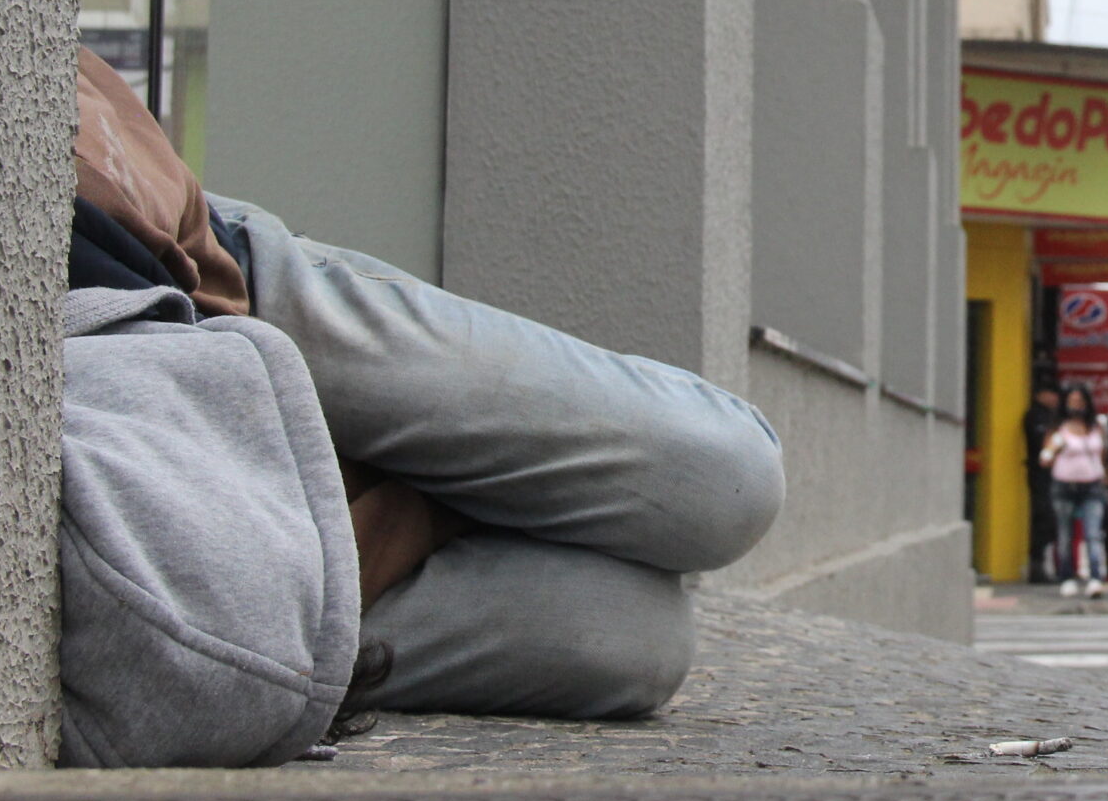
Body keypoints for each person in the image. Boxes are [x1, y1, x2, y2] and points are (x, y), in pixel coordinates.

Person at [69, 49, 785, 723]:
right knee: (634, 639)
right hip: (211, 522)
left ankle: (417, 491)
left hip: (217, 288)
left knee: (727, 473)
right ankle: (406, 507)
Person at [1040, 408, 1108, 597]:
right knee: (1065, 534)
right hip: (1065, 486)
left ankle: (1095, 578)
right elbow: (1045, 458)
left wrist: (1104, 477)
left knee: (1093, 533)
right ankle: (1067, 577)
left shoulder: (1096, 429)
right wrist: (1052, 452)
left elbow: (1103, 455)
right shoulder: (1060, 433)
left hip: (1092, 486)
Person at [1022, 382, 1063, 583]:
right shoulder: (1035, 416)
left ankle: (1048, 565)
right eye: (1050, 393)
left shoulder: (1053, 416)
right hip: (1040, 474)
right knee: (1043, 518)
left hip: (1054, 475)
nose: (1054, 398)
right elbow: (1042, 444)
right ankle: (1037, 566)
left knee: (1053, 520)